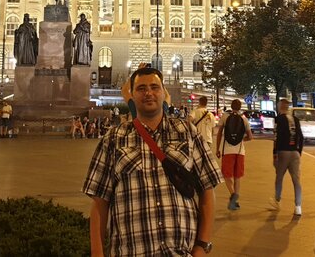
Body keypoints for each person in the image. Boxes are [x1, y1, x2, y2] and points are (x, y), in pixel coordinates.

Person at [83, 66, 222, 257]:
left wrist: (201, 246)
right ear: (132, 96)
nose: (148, 93)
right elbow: (100, 202)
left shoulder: (187, 131)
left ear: (164, 93)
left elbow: (207, 188)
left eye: (154, 87)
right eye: (141, 88)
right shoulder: (114, 138)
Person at [215, 99, 252, 210]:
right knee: (237, 176)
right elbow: (250, 137)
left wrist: (217, 149)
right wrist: (241, 140)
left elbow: (219, 134)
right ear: (240, 107)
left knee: (226, 176)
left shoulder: (225, 117)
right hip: (240, 151)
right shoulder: (244, 119)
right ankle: (235, 201)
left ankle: (233, 195)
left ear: (231, 106)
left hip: (227, 151)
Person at [270, 98, 305, 215]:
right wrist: (299, 151)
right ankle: (298, 206)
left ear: (280, 107)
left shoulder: (278, 119)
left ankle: (277, 200)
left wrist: (274, 153)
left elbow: (276, 137)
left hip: (283, 152)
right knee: (296, 180)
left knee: (279, 177)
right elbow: (301, 137)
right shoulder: (295, 119)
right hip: (295, 152)